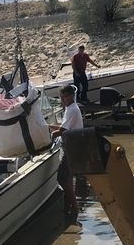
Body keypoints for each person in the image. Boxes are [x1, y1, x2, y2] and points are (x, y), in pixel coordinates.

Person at [49, 85, 84, 216]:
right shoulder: (71, 108)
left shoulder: (72, 110)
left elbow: (63, 131)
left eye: (64, 97)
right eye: (61, 97)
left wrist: (50, 135)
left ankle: (75, 208)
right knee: (68, 178)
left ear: (71, 96)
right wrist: (47, 126)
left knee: (62, 178)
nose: (62, 100)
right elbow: (63, 126)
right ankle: (67, 207)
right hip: (71, 146)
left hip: (72, 147)